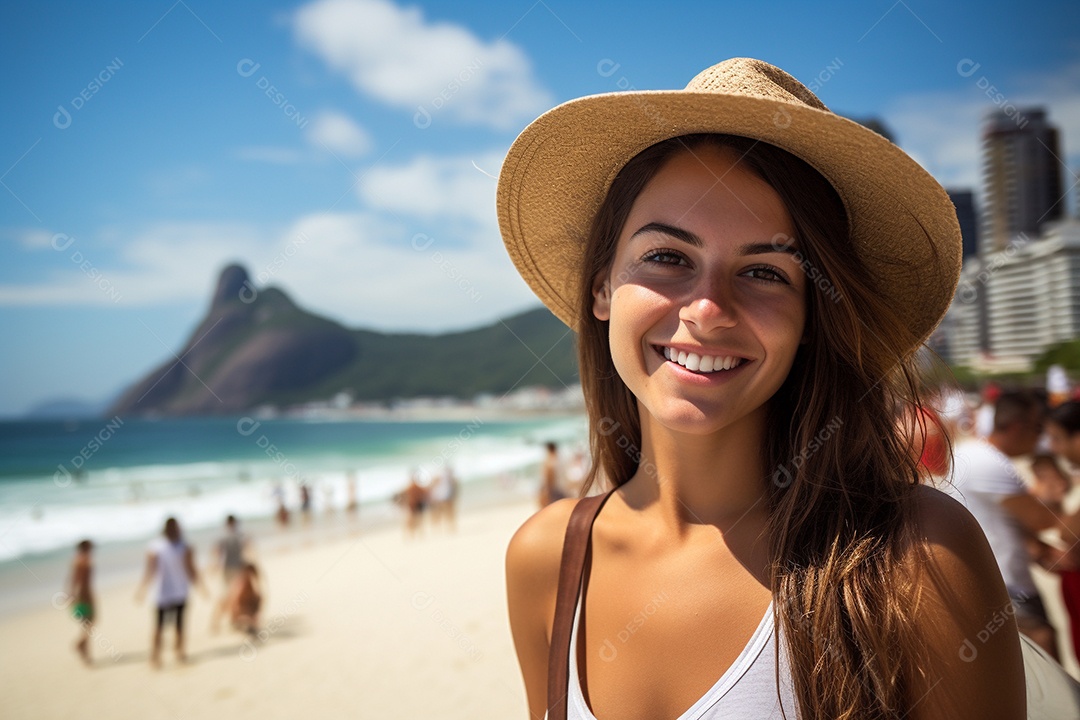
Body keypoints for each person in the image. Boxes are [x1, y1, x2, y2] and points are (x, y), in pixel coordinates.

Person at [501, 58, 1033, 718]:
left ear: (813, 316)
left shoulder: (913, 558)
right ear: (602, 286)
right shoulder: (546, 561)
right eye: (668, 257)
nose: (707, 307)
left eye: (765, 272)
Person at [948, 391, 1064, 659]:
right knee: (1048, 669)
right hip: (1009, 588)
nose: (1043, 435)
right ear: (1017, 427)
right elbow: (1043, 520)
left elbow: (1002, 519)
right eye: (1038, 427)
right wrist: (1051, 488)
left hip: (997, 583)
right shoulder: (987, 462)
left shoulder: (975, 455)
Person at [136, 517, 201, 668]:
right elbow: (150, 571)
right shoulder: (157, 547)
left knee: (177, 625)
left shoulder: (182, 546)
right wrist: (142, 589)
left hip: (178, 591)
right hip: (163, 593)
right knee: (161, 627)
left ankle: (177, 652)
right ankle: (157, 655)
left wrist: (200, 585)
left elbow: (191, 569)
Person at [211, 515, 250, 633]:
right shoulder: (239, 536)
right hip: (236, 569)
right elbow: (246, 550)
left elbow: (217, 552)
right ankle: (220, 621)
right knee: (232, 596)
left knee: (230, 595)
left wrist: (215, 566)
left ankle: (228, 620)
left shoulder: (223, 536)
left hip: (227, 570)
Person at [67, 539, 95, 665]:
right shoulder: (82, 560)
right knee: (88, 623)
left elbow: (72, 579)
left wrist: (71, 593)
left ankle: (84, 651)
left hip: (84, 594)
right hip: (84, 595)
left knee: (87, 624)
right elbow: (75, 580)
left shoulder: (79, 559)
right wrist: (72, 594)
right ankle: (81, 646)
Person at [225, 562, 262, 636]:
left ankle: (246, 625)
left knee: (246, 622)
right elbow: (233, 599)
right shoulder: (242, 582)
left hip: (245, 612)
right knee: (245, 621)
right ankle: (245, 625)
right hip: (242, 612)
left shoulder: (245, 582)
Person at [538, 442, 565, 508]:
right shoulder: (559, 460)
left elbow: (548, 478)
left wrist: (545, 491)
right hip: (560, 488)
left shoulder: (549, 461)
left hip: (553, 490)